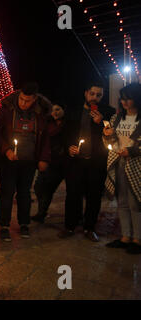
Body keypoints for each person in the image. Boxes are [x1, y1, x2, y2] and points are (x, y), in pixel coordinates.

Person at [0, 82, 50, 241]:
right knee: (6, 193)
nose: (23, 103)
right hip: (8, 162)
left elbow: (45, 138)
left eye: (28, 101)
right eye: (21, 99)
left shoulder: (40, 115)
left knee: (24, 194)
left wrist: (44, 158)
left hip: (29, 162)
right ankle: (4, 226)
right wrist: (6, 150)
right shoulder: (7, 111)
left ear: (34, 100)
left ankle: (24, 224)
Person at [60, 81, 115, 241]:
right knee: (72, 195)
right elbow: (65, 134)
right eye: (92, 94)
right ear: (86, 93)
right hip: (76, 161)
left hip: (96, 162)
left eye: (99, 95)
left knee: (94, 196)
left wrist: (100, 124)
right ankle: (70, 226)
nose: (95, 98)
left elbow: (110, 136)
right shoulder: (73, 111)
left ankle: (90, 228)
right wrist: (69, 147)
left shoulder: (107, 112)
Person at [103, 83, 141, 254]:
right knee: (122, 201)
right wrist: (107, 136)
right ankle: (126, 236)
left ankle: (138, 239)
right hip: (119, 162)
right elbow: (109, 142)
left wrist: (132, 151)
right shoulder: (116, 118)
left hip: (137, 164)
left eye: (128, 98)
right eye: (122, 99)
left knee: (136, 203)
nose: (125, 102)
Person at [32, 102, 67, 223]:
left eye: (57, 109)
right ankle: (42, 212)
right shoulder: (48, 124)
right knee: (39, 187)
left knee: (48, 188)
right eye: (52, 110)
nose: (55, 112)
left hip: (61, 161)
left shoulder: (67, 124)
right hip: (49, 160)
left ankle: (42, 213)